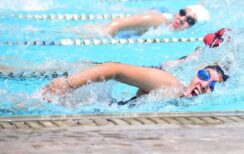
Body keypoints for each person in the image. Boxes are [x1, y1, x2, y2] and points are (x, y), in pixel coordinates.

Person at [42, 62, 229, 101]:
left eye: (212, 84)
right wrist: (68, 84)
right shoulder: (169, 85)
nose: (204, 84)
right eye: (204, 76)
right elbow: (114, 69)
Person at [102, 4, 210, 37]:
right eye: (182, 12)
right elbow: (115, 25)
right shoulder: (158, 20)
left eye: (190, 21)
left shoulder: (167, 33)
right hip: (94, 33)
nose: (182, 19)